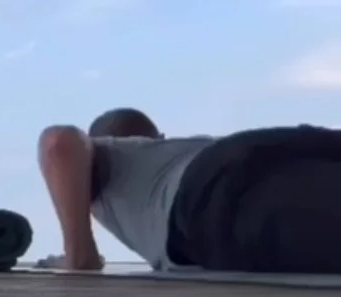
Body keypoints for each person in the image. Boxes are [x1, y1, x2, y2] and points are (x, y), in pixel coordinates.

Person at [37, 106, 341, 275]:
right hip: (262, 149)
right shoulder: (187, 144)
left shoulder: (103, 160)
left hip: (209, 203)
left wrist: (78, 255)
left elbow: (58, 143)